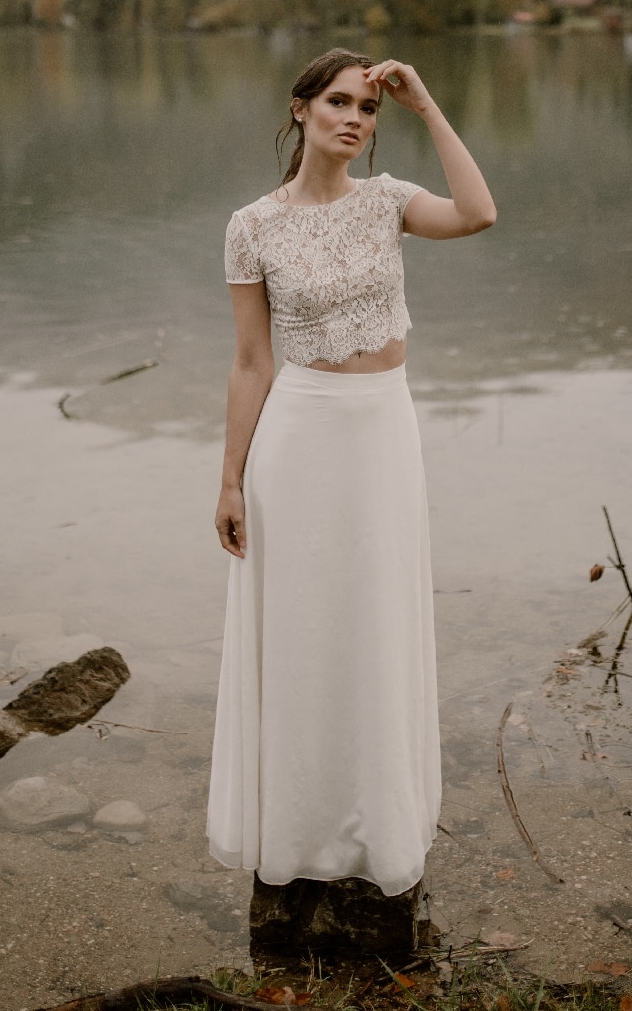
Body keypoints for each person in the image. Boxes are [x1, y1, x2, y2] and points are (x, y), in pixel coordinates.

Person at [207, 48, 496, 898]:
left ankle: (377, 827)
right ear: (300, 110)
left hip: (383, 435)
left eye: (366, 110)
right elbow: (252, 361)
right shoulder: (251, 225)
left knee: (375, 620)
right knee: (300, 631)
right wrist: (230, 478)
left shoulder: (389, 202)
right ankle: (295, 832)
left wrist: (423, 102)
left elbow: (479, 212)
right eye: (338, 102)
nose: (354, 120)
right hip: (296, 439)